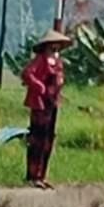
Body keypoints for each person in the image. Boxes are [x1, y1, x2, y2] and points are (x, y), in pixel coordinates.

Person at [21, 29, 71, 189]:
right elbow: (27, 74)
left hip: (52, 103)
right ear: (45, 48)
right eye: (52, 49)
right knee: (38, 139)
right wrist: (40, 87)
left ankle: (42, 174)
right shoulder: (39, 61)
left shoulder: (58, 64)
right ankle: (33, 175)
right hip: (40, 104)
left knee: (49, 139)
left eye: (57, 49)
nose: (55, 52)